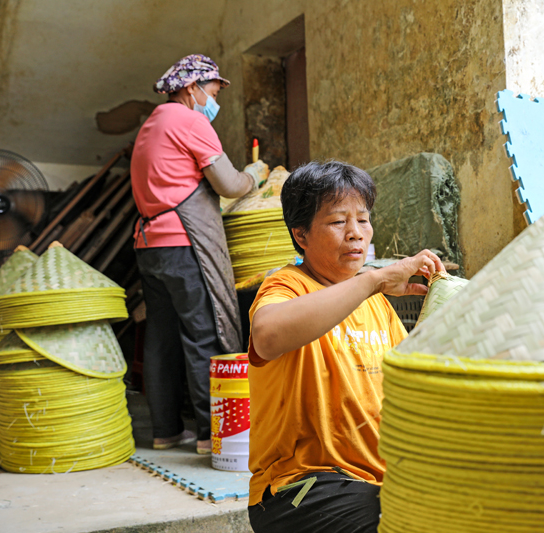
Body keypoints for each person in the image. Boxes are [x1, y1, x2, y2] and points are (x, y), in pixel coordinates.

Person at [246, 161, 445, 532]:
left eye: (363, 220)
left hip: (376, 483)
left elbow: (410, 389)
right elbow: (268, 335)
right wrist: (375, 280)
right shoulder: (286, 287)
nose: (356, 234)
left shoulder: (376, 304)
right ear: (301, 234)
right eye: (338, 222)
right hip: (302, 486)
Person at [131, 54, 257, 454]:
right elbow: (228, 184)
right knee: (206, 334)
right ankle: (210, 435)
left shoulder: (152, 123)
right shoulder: (189, 120)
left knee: (161, 340)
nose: (214, 102)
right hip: (183, 243)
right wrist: (256, 177)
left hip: (149, 246)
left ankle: (165, 431)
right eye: (214, 92)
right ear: (192, 88)